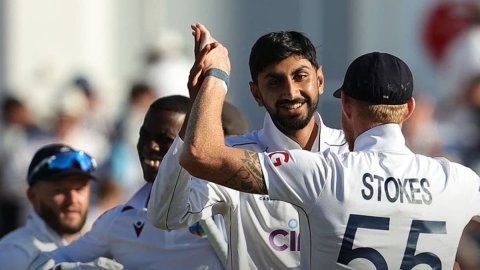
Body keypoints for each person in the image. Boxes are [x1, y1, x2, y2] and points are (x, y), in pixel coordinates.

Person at [179, 38, 480, 270]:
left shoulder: (323, 173)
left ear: (346, 106)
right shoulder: (455, 180)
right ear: (409, 109)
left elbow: (199, 155)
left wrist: (215, 75)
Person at [147, 24, 347, 269]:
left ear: (320, 80)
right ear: (256, 94)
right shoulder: (230, 157)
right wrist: (204, 93)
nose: (291, 92)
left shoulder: (352, 152)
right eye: (274, 82)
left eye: (300, 76)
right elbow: (165, 215)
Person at [30, 95, 226, 270]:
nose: (150, 146)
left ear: (193, 144)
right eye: (144, 136)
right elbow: (44, 264)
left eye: (165, 139)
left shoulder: (225, 211)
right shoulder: (117, 221)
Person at [0, 143, 97, 269]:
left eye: (79, 189)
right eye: (59, 190)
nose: (73, 200)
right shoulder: (15, 254)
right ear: (32, 195)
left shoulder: (99, 245)